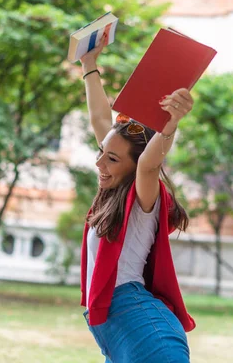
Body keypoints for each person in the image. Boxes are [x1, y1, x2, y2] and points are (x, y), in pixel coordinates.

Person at [79, 33, 196, 363]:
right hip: (117, 332)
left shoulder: (144, 196)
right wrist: (89, 64)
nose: (100, 163)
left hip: (146, 331)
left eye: (112, 159)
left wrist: (171, 123)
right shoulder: (114, 188)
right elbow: (102, 119)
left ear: (132, 165)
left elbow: (148, 164)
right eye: (102, 153)